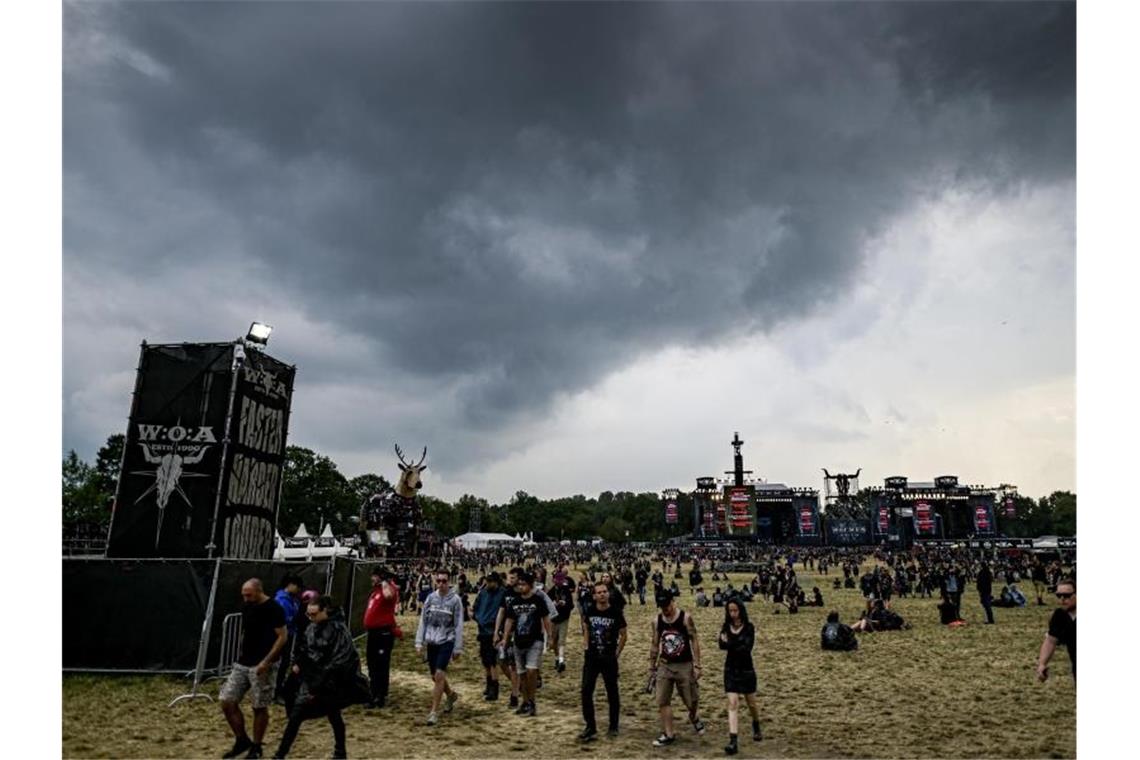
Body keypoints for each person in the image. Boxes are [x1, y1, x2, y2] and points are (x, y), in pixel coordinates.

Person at [271, 596, 360, 759]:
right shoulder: (312, 627)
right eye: (308, 614)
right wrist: (299, 664)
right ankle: (280, 754)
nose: (311, 618)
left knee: (332, 714)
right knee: (299, 715)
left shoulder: (339, 630)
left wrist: (320, 683)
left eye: (314, 614)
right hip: (311, 677)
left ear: (325, 610)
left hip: (330, 680)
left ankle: (339, 751)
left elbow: (341, 659)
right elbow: (305, 647)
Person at [220, 579, 288, 759]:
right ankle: (241, 739)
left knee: (259, 705)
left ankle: (256, 746)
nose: (245, 598)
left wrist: (266, 661)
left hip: (264, 663)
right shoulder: (247, 606)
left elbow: (282, 637)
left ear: (259, 591)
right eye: (243, 594)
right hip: (244, 661)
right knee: (227, 700)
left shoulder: (274, 608)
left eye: (248, 594)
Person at [649, 589, 706, 747]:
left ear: (673, 601)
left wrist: (697, 665)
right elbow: (654, 644)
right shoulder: (657, 621)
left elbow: (694, 640)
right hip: (665, 665)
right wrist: (651, 667)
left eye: (667, 605)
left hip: (684, 665)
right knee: (662, 700)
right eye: (661, 606)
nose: (665, 609)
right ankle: (669, 734)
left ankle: (694, 717)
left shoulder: (685, 618)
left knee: (691, 700)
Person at [578, 581, 628, 742]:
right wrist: (586, 645)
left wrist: (617, 653)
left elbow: (624, 635)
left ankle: (613, 725)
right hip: (592, 657)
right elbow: (585, 626)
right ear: (594, 596)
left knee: (612, 692)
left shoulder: (615, 612)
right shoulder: (590, 610)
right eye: (599, 592)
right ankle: (590, 726)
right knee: (586, 690)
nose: (602, 594)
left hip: (609, 658)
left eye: (604, 591)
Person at [414, 569, 464, 726]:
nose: (441, 584)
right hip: (432, 641)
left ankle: (433, 712)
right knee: (435, 676)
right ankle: (450, 695)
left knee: (440, 674)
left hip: (446, 641)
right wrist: (419, 641)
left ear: (449, 582)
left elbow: (458, 625)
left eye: (444, 581)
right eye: (439, 581)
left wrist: (457, 648)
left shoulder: (455, 600)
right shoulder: (430, 598)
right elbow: (423, 620)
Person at [502, 571, 550, 716]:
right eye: (519, 584)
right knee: (521, 673)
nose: (521, 587)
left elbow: (546, 618)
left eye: (524, 584)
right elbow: (509, 620)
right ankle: (526, 701)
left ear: (530, 585)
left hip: (535, 640)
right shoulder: (515, 602)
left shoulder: (538, 600)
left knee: (531, 671)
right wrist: (505, 638)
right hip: (518, 641)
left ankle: (532, 701)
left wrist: (550, 636)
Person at [719, 600, 762, 755]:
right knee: (732, 703)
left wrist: (730, 643)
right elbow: (721, 644)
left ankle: (756, 723)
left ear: (741, 610)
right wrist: (734, 643)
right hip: (730, 669)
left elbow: (747, 648)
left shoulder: (749, 627)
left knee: (751, 703)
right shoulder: (725, 626)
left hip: (746, 670)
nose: (733, 614)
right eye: (730, 611)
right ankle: (733, 740)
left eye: (735, 610)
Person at [362, 566, 399, 708]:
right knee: (372, 663)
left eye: (374, 576)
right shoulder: (376, 591)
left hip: (383, 633)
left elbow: (389, 596)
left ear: (381, 577)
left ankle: (380, 695)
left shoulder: (389, 588)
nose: (372, 578)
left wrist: (384, 582)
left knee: (381, 664)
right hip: (373, 633)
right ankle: (373, 691)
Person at [472, 572, 506, 701]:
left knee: (493, 662)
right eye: (487, 581)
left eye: (491, 581)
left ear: (496, 582)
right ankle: (488, 685)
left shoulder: (502, 593)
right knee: (485, 661)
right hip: (482, 631)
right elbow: (476, 607)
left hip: (494, 631)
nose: (488, 584)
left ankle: (494, 688)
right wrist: (477, 617)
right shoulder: (483, 593)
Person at [1037, 578, 1076, 683]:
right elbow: (1051, 640)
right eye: (1059, 595)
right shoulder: (1059, 616)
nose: (1062, 599)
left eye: (1067, 595)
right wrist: (1042, 664)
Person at [273, 575, 304, 700]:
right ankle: (276, 691)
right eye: (297, 587)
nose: (299, 590)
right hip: (282, 635)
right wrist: (296, 618)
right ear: (290, 584)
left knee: (284, 663)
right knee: (281, 664)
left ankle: (278, 689)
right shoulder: (282, 600)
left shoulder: (291, 599)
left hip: (289, 634)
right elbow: (283, 619)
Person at [548, 571, 577, 674]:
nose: (559, 581)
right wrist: (553, 603)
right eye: (557, 579)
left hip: (564, 618)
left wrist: (564, 603)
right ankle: (557, 658)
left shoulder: (566, 590)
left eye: (561, 579)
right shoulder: (551, 591)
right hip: (553, 619)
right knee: (553, 641)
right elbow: (546, 604)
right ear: (554, 580)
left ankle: (561, 661)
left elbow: (571, 605)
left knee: (561, 640)